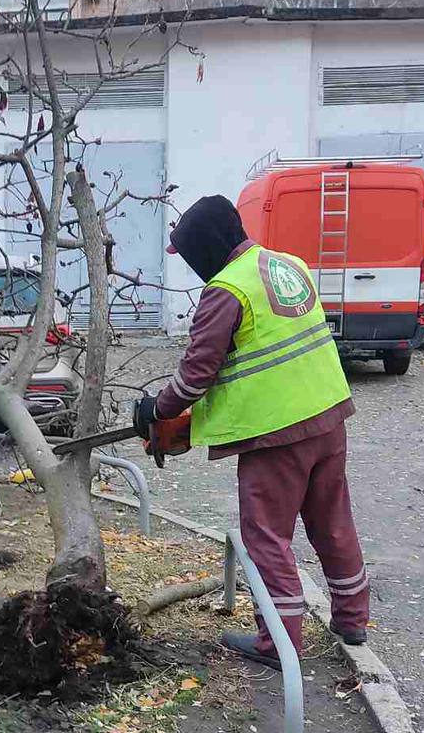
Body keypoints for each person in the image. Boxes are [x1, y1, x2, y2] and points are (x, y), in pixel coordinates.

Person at [132, 194, 369, 668]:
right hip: (328, 416)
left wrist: (157, 409)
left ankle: (277, 644)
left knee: (266, 538)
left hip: (275, 436)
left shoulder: (226, 289)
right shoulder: (289, 265)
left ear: (205, 246)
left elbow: (198, 373)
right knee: (332, 522)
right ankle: (352, 619)